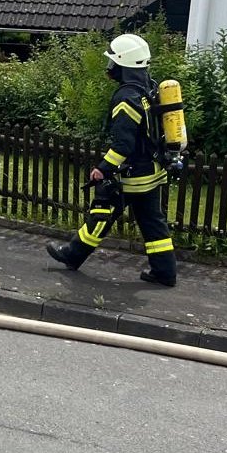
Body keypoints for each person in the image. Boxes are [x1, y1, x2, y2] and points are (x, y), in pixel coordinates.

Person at [46, 34, 178, 287]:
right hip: (153, 170)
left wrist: (102, 168)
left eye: (112, 64)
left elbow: (123, 145)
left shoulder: (126, 98)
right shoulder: (149, 87)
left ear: (123, 65)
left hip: (134, 174)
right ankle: (165, 272)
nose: (110, 70)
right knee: (153, 223)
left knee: (102, 213)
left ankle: (72, 255)